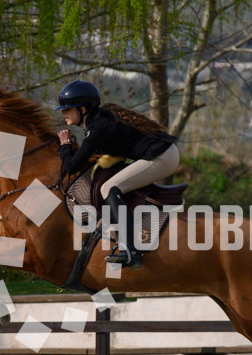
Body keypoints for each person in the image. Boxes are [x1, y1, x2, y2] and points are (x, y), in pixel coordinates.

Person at [54, 80, 179, 268]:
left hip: (161, 158)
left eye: (67, 109)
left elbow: (71, 167)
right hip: (160, 153)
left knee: (109, 188)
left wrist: (64, 146)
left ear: (82, 109)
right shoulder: (99, 120)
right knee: (113, 184)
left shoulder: (98, 127)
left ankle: (130, 250)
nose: (63, 114)